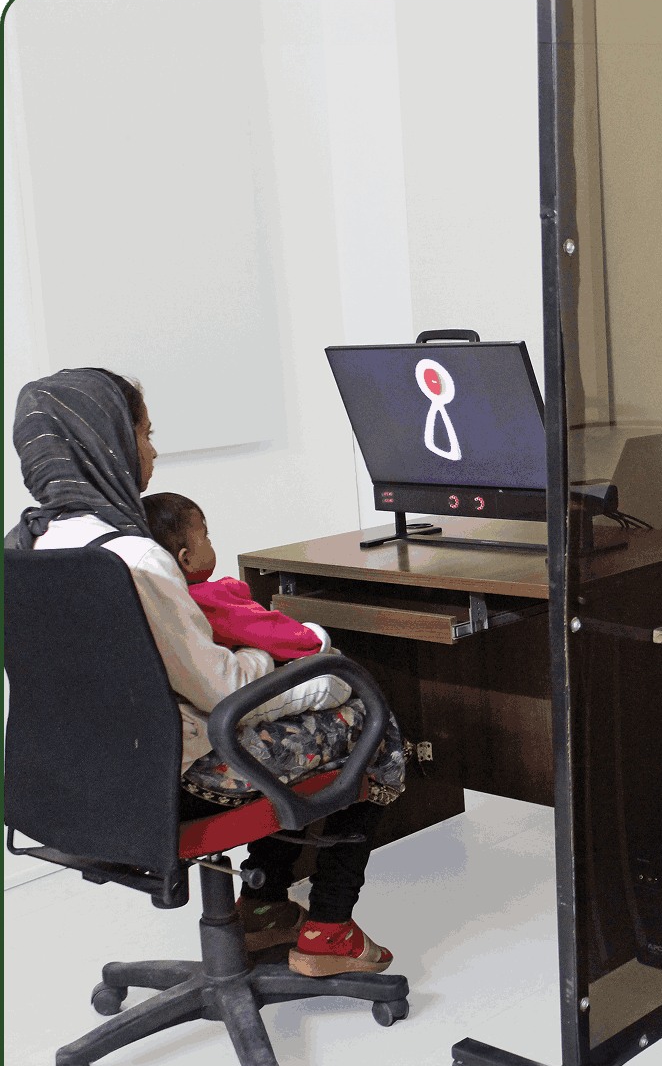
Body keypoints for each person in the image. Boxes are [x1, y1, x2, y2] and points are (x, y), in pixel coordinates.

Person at [7, 368, 405, 977]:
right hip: (179, 775)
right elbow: (223, 692)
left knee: (317, 712)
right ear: (104, 442)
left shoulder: (26, 548)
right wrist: (297, 664)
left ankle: (266, 907)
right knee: (371, 718)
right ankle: (327, 926)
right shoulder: (136, 557)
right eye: (143, 432)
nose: (153, 450)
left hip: (81, 778)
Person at [143, 491, 330, 661]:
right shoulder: (206, 599)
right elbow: (269, 630)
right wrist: (316, 637)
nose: (209, 542)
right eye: (205, 536)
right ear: (186, 559)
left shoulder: (158, 598)